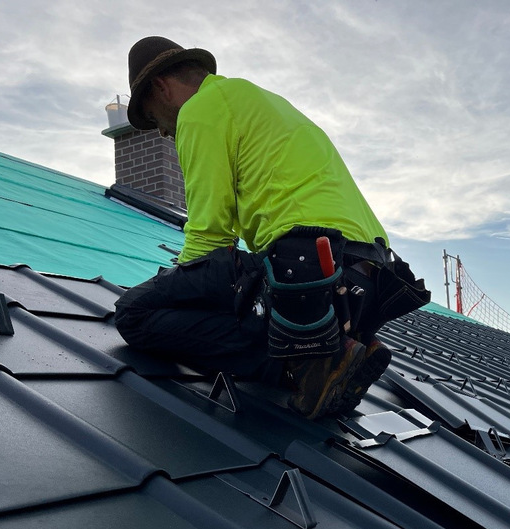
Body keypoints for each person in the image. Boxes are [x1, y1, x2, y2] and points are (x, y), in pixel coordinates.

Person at [114, 36, 429, 419]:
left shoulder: (200, 110)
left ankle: (305, 361)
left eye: (152, 118)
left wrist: (174, 288)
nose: (162, 132)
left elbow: (210, 234)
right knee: (220, 289)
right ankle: (331, 351)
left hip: (310, 271)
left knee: (133, 313)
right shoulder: (258, 101)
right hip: (368, 280)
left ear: (160, 88)